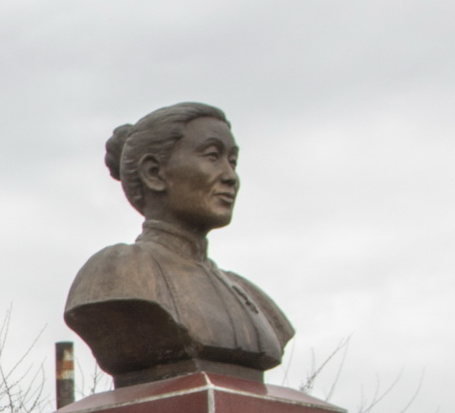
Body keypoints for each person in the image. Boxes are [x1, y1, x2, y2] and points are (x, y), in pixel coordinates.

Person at [63, 102, 293, 385]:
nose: (230, 176)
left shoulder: (248, 294)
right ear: (155, 173)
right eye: (212, 156)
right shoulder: (116, 273)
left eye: (232, 161)